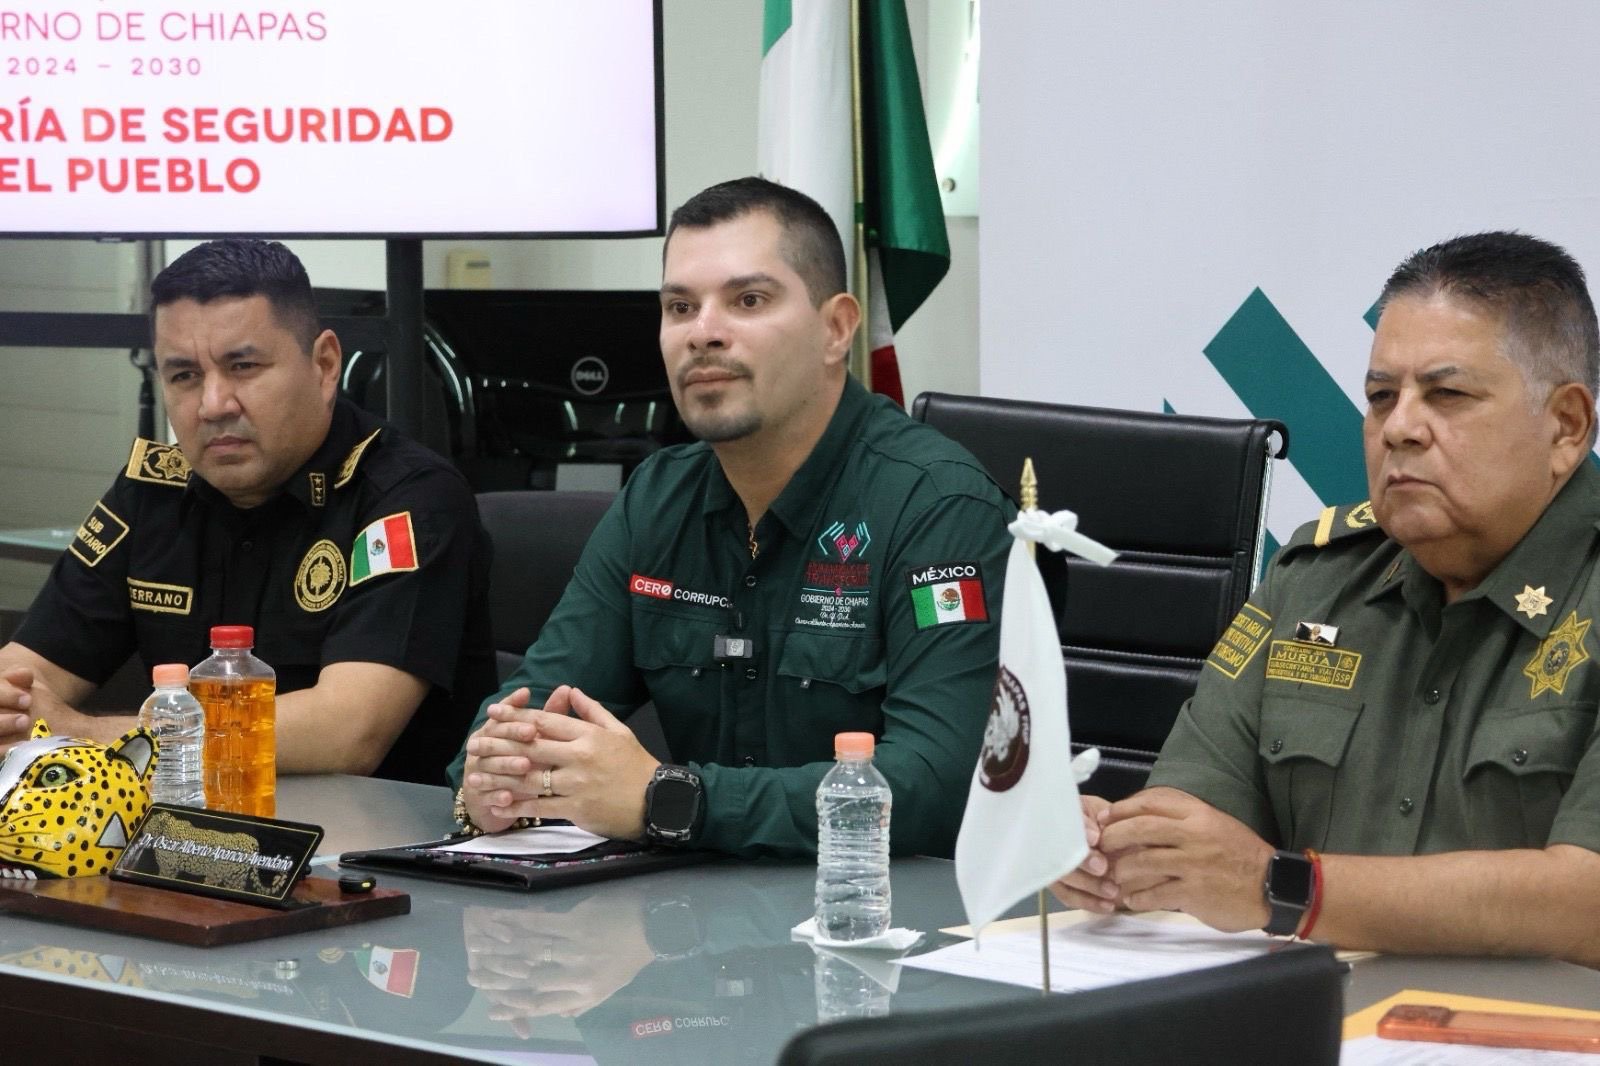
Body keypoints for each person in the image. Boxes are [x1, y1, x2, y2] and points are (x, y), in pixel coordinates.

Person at [1052, 231, 1600, 964]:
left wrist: (1286, 889)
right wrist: (1117, 851)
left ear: (1566, 425)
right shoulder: (1316, 579)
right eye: (1381, 397)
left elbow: (1588, 899)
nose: (1398, 428)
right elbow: (1196, 809)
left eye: (1448, 395)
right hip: (1316, 1010)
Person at [450, 177, 1012, 857]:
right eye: (680, 307)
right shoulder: (657, 498)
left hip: (881, 908)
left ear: (836, 329)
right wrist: (492, 777)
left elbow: (937, 785)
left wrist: (669, 799)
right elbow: (532, 708)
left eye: (748, 300)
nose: (703, 333)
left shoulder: (938, 507)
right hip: (690, 907)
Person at [0, 239, 496, 785]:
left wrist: (84, 736)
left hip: (369, 832)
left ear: (324, 365)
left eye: (243, 367)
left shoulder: (406, 497)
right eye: (184, 375)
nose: (214, 404)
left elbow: (348, 732)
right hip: (184, 822)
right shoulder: (152, 492)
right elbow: (26, 676)